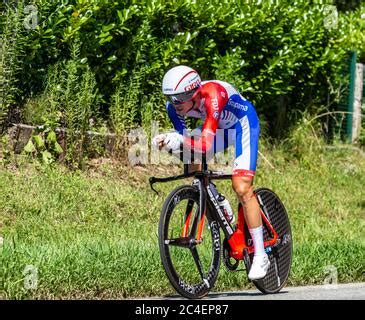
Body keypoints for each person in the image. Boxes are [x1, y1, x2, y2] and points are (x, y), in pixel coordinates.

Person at [152, 65, 269, 280]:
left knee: (242, 188)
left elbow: (204, 144)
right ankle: (216, 198)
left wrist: (181, 140)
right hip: (219, 131)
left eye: (178, 98)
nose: (173, 104)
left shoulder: (213, 94)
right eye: (169, 98)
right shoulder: (174, 108)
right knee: (190, 158)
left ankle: (261, 255)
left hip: (242, 125)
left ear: (193, 92)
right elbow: (189, 146)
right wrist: (169, 143)